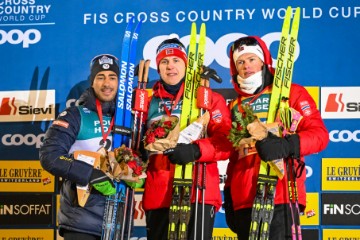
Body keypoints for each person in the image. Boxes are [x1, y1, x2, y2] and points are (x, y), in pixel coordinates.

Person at [223, 36, 329, 240]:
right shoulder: (235, 105)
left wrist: (285, 145)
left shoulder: (291, 94)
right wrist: (228, 194)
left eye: (252, 59)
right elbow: (234, 158)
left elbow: (319, 136)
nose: (247, 66)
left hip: (281, 193)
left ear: (263, 61)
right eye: (240, 62)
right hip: (244, 198)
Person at [142, 37, 232, 240]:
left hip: (197, 192)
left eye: (176, 60)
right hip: (159, 194)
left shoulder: (208, 99)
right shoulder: (148, 104)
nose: (170, 66)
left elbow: (226, 142)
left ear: (186, 64)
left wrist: (196, 150)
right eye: (164, 62)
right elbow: (138, 145)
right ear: (158, 67)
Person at [39, 54, 120, 239]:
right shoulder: (74, 115)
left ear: (118, 82)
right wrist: (90, 174)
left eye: (112, 77)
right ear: (92, 82)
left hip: (118, 222)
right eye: (100, 77)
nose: (107, 83)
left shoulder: (127, 120)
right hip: (81, 223)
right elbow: (50, 156)